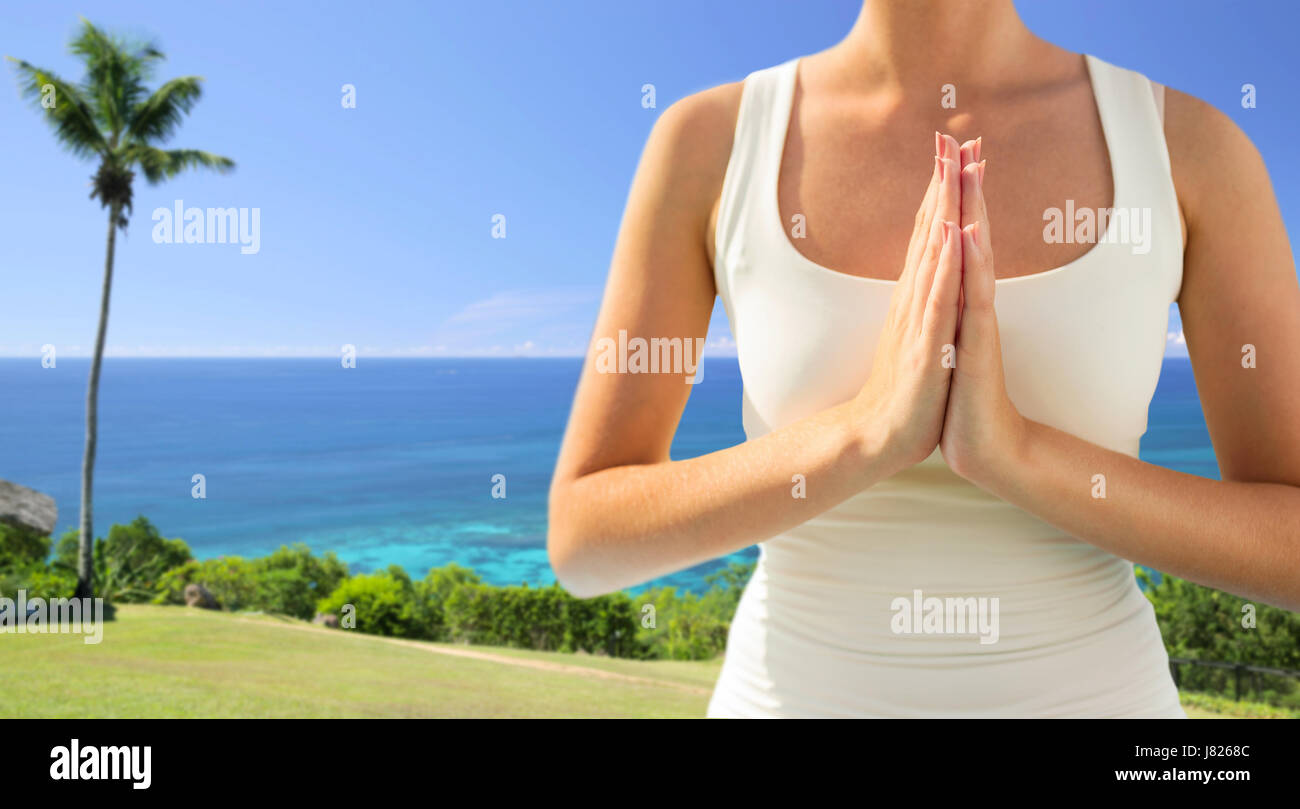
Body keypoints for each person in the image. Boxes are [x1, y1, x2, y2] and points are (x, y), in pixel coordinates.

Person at [547, 0, 1300, 717]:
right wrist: (865, 433)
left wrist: (1017, 454)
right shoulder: (711, 142)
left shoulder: (1188, 148)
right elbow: (585, 539)